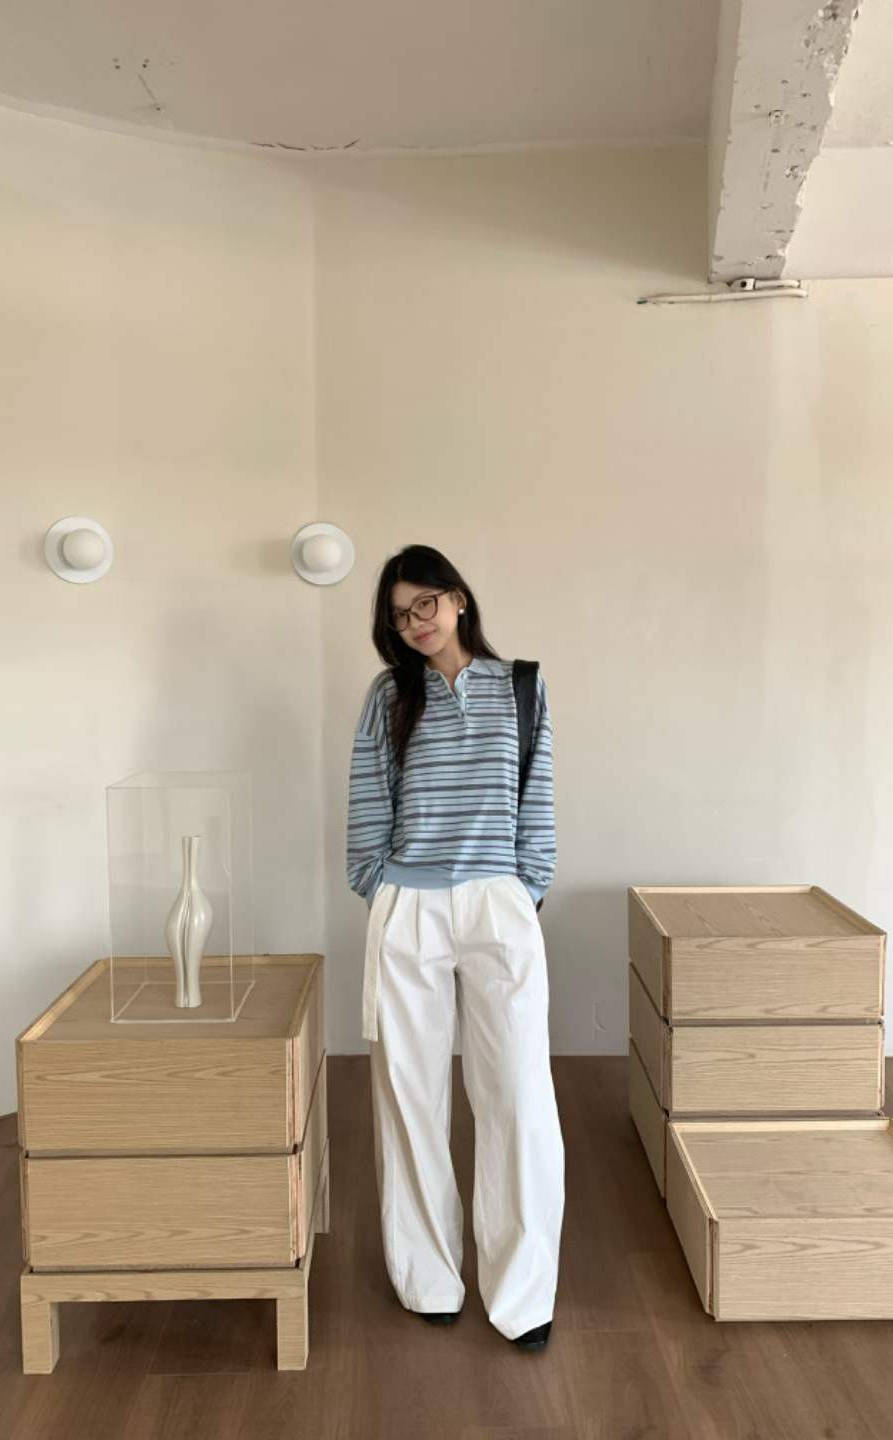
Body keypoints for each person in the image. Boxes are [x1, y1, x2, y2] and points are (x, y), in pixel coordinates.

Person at [345, 543, 564, 1351]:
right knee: (410, 1095)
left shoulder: (521, 686)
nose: (416, 623)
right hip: (409, 904)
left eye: (425, 604)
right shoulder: (388, 696)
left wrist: (521, 890)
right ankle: (429, 1278)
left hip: (497, 902)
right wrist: (380, 886)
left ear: (458, 598)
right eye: (400, 615)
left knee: (518, 1095)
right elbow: (368, 798)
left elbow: (537, 799)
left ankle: (523, 1293)